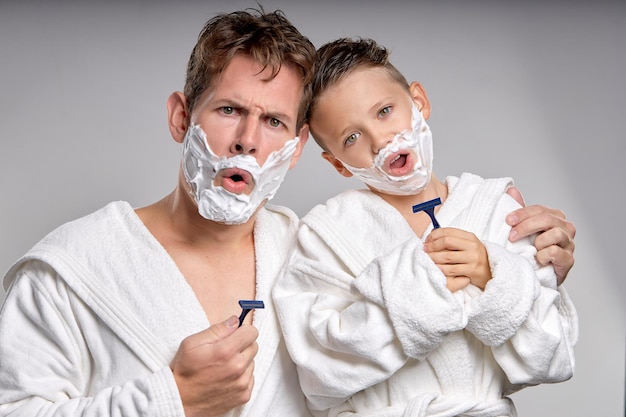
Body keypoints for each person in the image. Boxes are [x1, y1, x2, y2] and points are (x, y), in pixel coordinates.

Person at [0, 8, 575, 417]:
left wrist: (525, 264)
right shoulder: (71, 271)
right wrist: (171, 400)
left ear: (298, 150)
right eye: (228, 109)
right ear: (181, 117)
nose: (249, 140)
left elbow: (450, 347)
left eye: (274, 122)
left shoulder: (324, 252)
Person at [273, 37, 578, 417]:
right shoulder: (326, 234)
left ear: (418, 102)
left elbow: (552, 356)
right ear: (338, 163)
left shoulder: (496, 208)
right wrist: (417, 294)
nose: (380, 138)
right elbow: (318, 375)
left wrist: (493, 278)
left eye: (385, 111)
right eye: (352, 137)